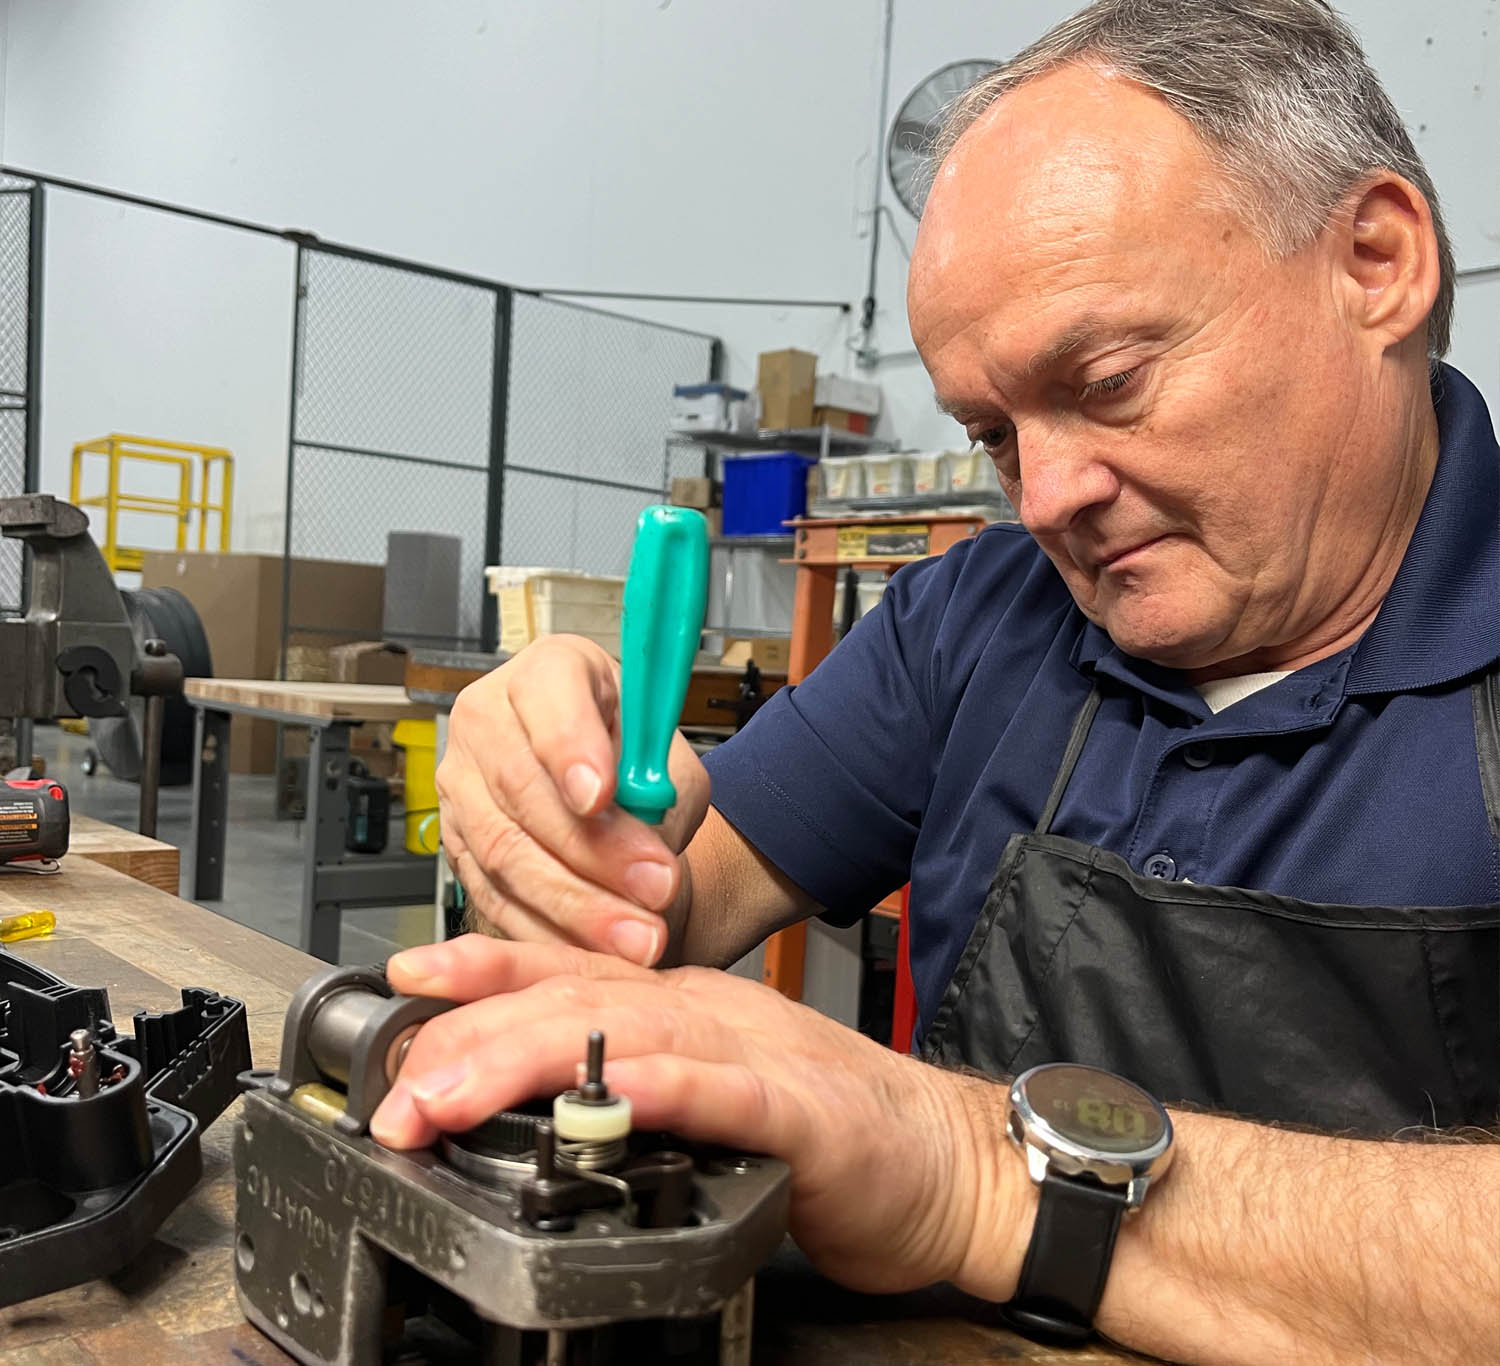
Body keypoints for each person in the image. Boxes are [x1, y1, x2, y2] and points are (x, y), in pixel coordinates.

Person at [373, 1, 1500, 1358]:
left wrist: (971, 1169)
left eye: (1110, 379)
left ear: (1376, 262)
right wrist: (560, 826)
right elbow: (661, 906)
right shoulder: (978, 620)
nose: (1049, 496)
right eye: (995, 435)